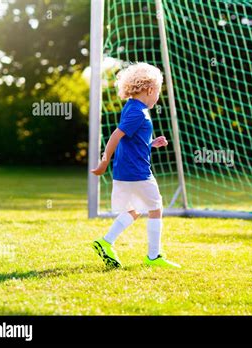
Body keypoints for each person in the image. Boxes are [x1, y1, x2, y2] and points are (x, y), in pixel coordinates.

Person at [91, 62, 181, 269]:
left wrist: (151, 143)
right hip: (137, 172)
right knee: (156, 208)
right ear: (150, 90)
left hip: (127, 170)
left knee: (137, 209)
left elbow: (131, 140)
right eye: (158, 91)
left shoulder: (132, 107)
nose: (158, 96)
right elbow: (116, 136)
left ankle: (105, 242)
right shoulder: (138, 112)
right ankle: (153, 256)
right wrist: (104, 162)